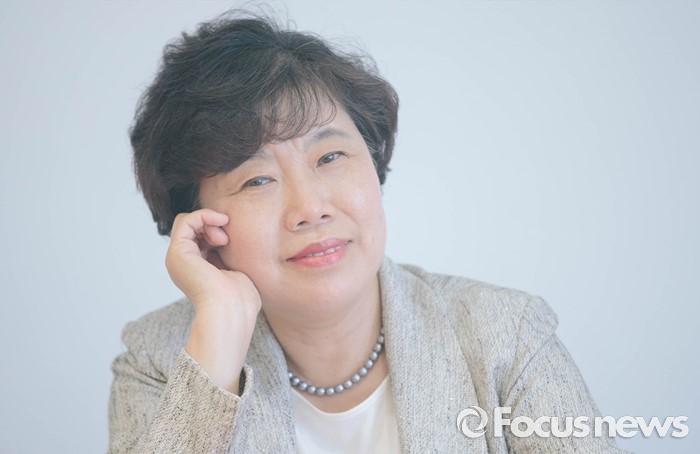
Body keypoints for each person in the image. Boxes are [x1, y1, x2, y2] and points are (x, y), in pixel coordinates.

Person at [108, 10, 627, 454]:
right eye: (256, 180)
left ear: (373, 165)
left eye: (330, 156)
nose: (310, 209)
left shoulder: (504, 336)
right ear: (200, 226)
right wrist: (221, 328)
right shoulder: (160, 358)